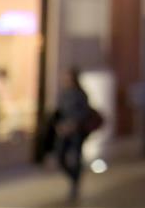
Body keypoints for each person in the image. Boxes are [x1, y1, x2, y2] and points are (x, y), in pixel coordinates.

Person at [54, 68, 92, 202]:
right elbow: (59, 112)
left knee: (76, 158)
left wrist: (74, 124)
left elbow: (85, 112)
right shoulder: (64, 94)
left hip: (77, 132)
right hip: (64, 131)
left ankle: (75, 184)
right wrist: (59, 125)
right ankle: (73, 178)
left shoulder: (81, 94)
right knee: (60, 156)